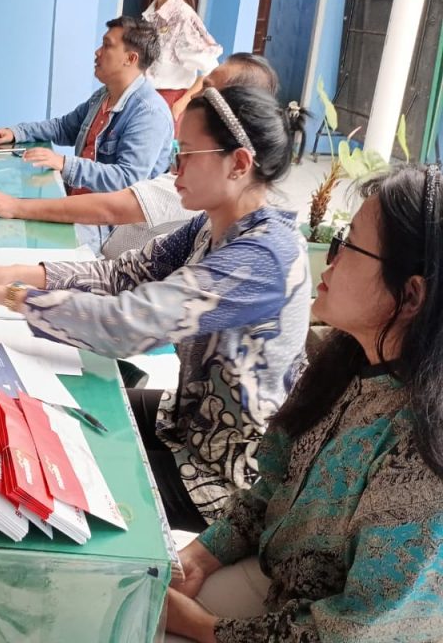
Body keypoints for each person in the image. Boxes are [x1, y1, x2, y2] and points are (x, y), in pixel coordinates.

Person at [0, 86, 310, 531]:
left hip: (224, 474)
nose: (175, 167)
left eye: (187, 153)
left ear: (239, 163)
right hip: (186, 419)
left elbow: (127, 323)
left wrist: (11, 296)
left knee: (48, 479)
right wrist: (12, 272)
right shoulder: (210, 225)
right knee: (47, 418)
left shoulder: (264, 259)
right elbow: (122, 275)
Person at [165, 165, 443, 643]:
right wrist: (204, 554)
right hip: (279, 585)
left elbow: (355, 632)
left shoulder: (424, 452)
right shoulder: (347, 361)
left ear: (411, 294)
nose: (329, 259)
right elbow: (273, 482)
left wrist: (199, 626)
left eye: (348, 246)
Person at [0, 54, 281, 259]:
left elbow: (114, 205)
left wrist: (18, 205)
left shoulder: (153, 118)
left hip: (106, 238)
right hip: (111, 253)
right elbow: (128, 274)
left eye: (107, 45)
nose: (193, 95)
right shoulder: (202, 224)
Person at [0, 16, 173, 199]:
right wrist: (17, 132)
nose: (97, 52)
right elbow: (64, 128)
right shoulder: (104, 95)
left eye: (107, 45)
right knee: (2, 189)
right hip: (78, 199)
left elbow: (126, 179)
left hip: (108, 217)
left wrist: (64, 163)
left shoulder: (149, 113)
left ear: (130, 59)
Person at [141, 0, 223, 131]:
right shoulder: (150, 14)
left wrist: (181, 104)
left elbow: (212, 71)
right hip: (146, 102)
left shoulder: (184, 18)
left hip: (168, 105)